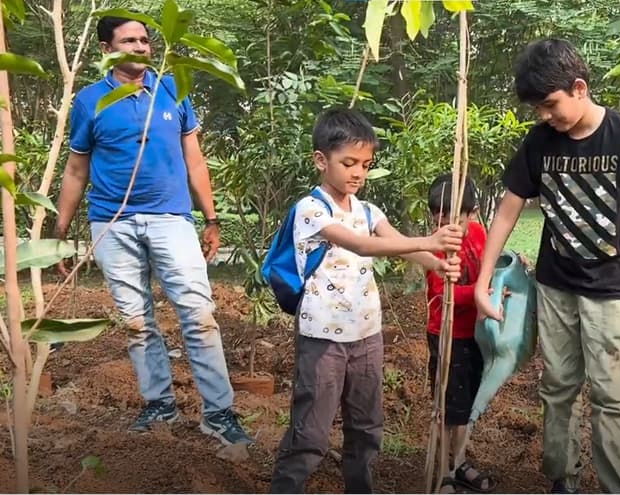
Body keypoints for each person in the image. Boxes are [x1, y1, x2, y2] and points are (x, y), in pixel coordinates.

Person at [474, 38, 620, 494]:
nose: (545, 116)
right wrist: (483, 281)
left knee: (613, 397)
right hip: (556, 285)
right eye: (538, 109)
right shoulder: (540, 141)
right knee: (557, 385)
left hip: (614, 289)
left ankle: (616, 488)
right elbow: (507, 211)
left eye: (550, 104)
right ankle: (562, 481)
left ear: (579, 88)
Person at [54, 15, 252, 445]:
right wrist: (61, 229)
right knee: (136, 322)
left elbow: (194, 159)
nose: (141, 47)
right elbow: (76, 168)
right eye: (129, 40)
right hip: (112, 223)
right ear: (106, 50)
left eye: (145, 40)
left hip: (171, 219)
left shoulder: (172, 89)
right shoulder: (90, 101)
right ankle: (159, 406)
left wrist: (211, 218)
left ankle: (219, 413)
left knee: (199, 315)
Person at [269, 108, 464, 494]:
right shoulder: (311, 210)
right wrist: (429, 240)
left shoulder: (368, 210)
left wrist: (437, 263)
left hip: (367, 336)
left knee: (366, 427)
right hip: (323, 338)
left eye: (365, 164)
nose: (358, 173)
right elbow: (361, 245)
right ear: (321, 160)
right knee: (311, 432)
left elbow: (397, 243)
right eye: (349, 163)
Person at [425, 174, 495, 494]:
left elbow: (489, 267)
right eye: (437, 221)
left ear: (472, 213)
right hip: (447, 335)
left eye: (454, 221)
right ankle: (443, 471)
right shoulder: (436, 247)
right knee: (447, 406)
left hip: (474, 334)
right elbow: (443, 292)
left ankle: (460, 462)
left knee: (465, 406)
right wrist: (481, 294)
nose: (445, 229)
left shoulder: (479, 233)